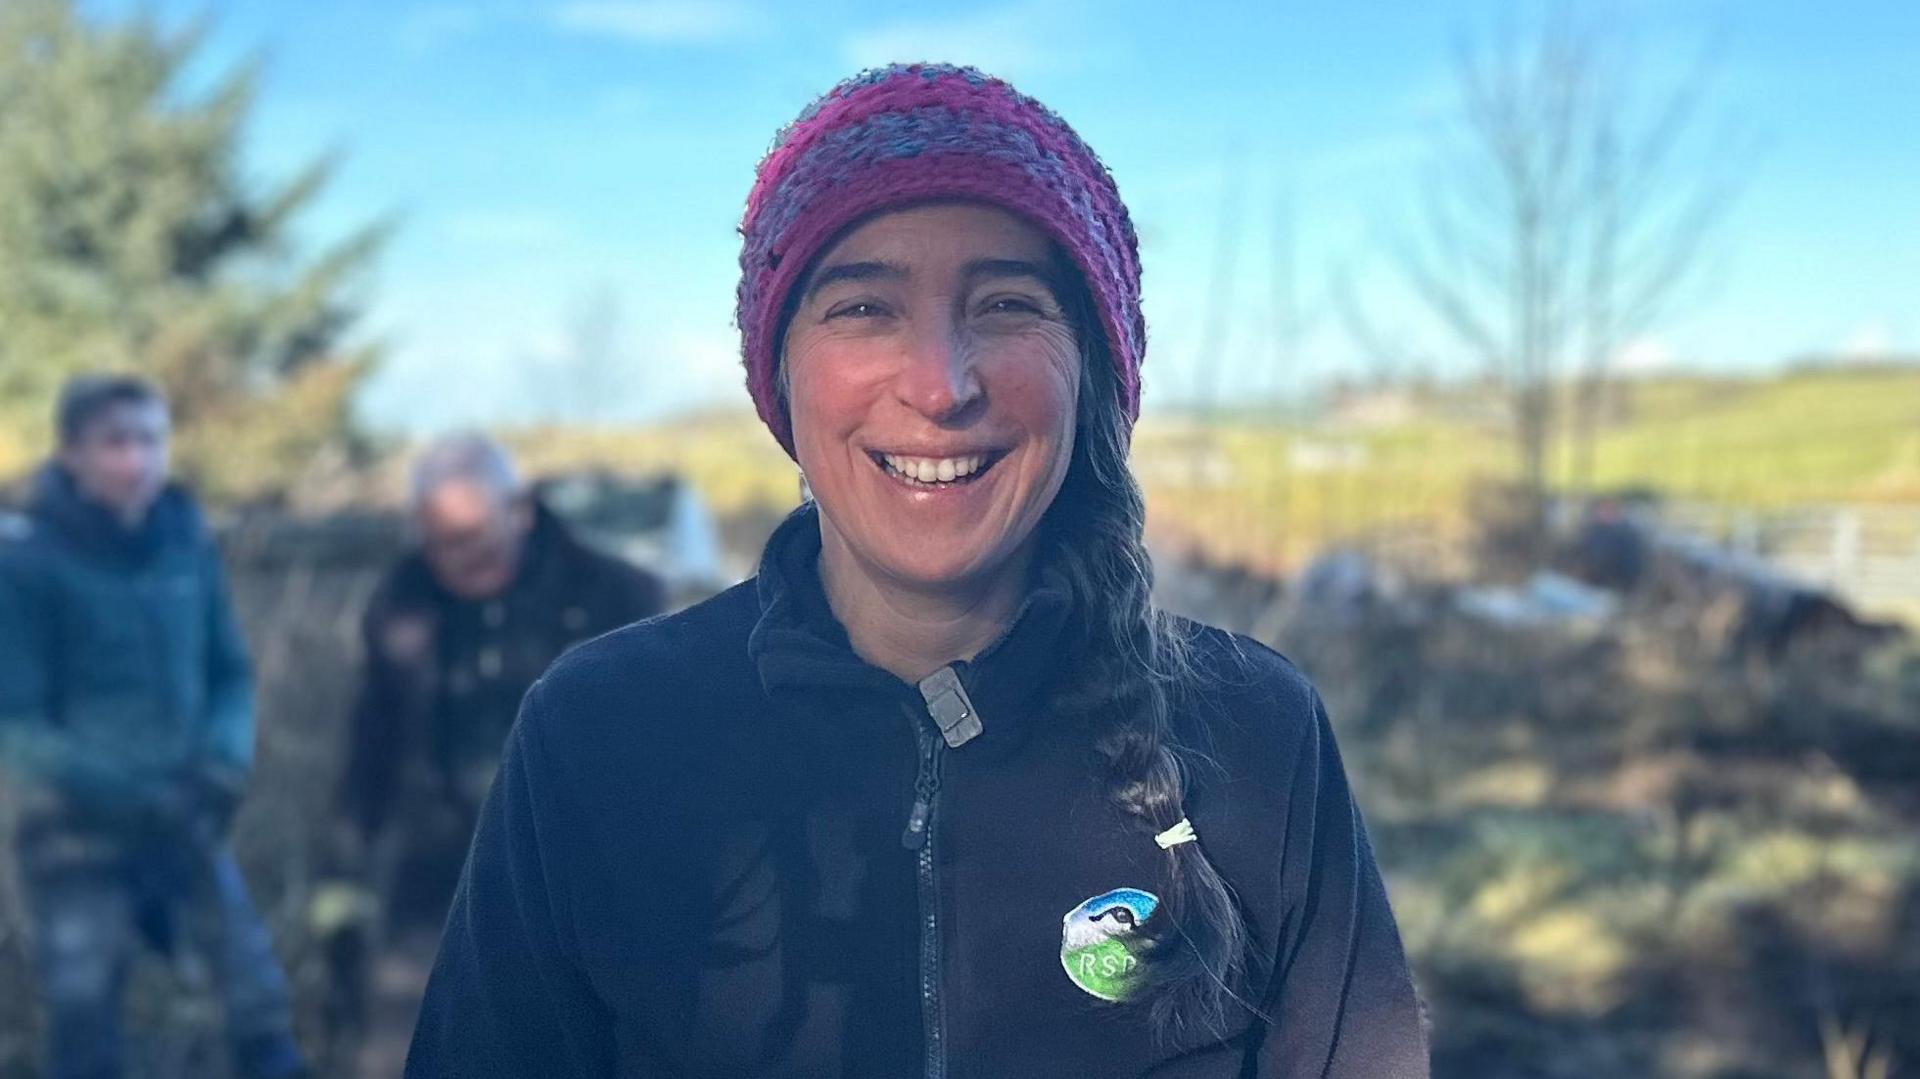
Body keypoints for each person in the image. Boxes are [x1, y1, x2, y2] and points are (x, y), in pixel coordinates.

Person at [407, 65, 1429, 1077]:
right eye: (863, 308)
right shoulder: (597, 736)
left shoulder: (1255, 736)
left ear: (1093, 373)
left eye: (1005, 303)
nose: (940, 385)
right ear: (781, 373)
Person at [0, 375, 307, 1079]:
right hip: (78, 838)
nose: (137, 459)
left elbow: (229, 670)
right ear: (72, 454)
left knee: (256, 1001)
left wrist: (226, 760)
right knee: (87, 1030)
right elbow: (17, 725)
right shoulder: (28, 563)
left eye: (151, 439)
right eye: (116, 442)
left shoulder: (184, 544)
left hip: (189, 816)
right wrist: (129, 793)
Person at [336, 433, 666, 932]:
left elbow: (660, 751)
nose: (455, 558)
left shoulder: (617, 598)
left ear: (521, 512)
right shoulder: (402, 603)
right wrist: (343, 883)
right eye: (438, 543)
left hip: (587, 873)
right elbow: (373, 741)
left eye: (470, 536)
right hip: (440, 881)